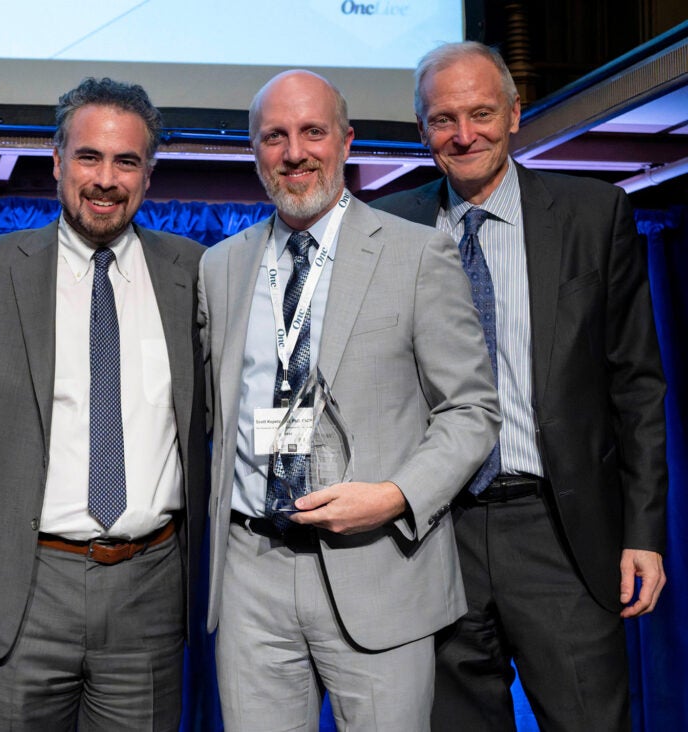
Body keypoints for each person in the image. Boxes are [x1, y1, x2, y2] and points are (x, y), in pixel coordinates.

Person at [373, 41, 667, 730]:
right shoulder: (385, 225)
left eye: (480, 113)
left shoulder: (595, 216)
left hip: (559, 531)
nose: (463, 134)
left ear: (514, 114)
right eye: (443, 119)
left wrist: (645, 533)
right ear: (422, 130)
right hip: (434, 535)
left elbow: (637, 387)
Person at [197, 69, 500, 730]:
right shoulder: (220, 266)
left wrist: (395, 496)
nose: (294, 152)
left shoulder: (420, 255)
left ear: (346, 141)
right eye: (274, 136)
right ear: (254, 150)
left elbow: (472, 411)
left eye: (313, 132)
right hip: (252, 573)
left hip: (379, 565)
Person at [0, 77, 207, 731]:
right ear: (58, 161)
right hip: (24, 583)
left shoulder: (200, 274)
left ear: (149, 175)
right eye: (90, 157)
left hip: (151, 588)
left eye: (127, 161)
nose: (106, 178)